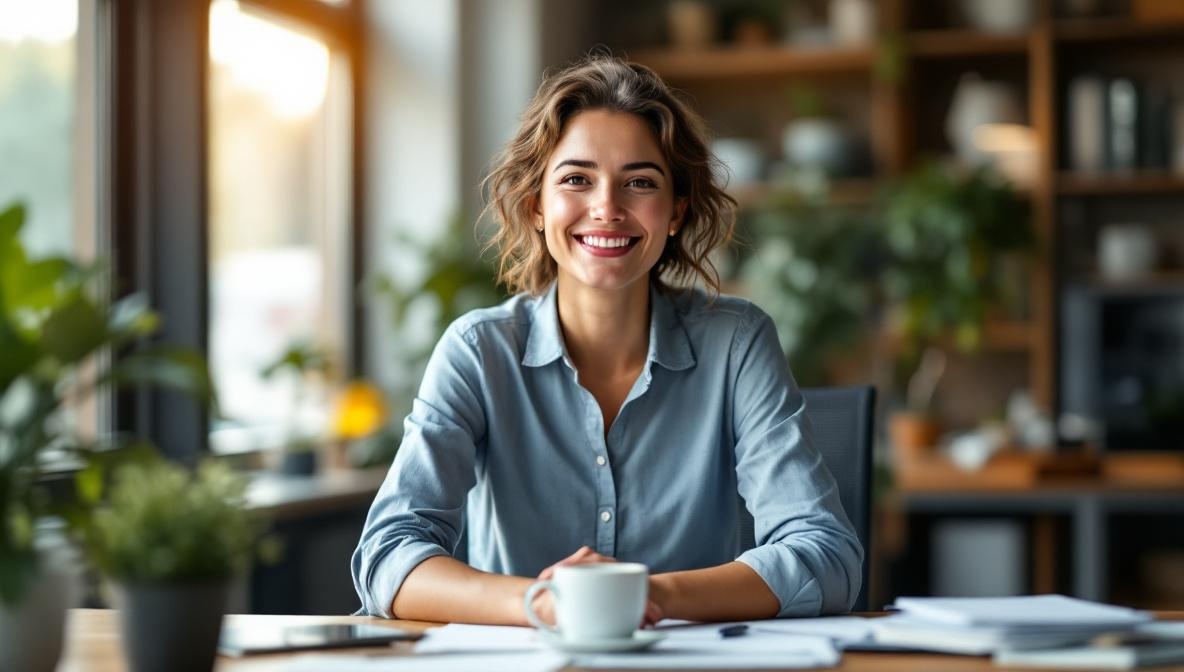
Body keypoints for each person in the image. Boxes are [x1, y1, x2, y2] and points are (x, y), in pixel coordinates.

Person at [352, 53, 861, 626]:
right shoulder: (477, 352)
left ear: (675, 212)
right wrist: (542, 604)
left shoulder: (737, 344)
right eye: (576, 179)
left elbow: (826, 555)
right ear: (536, 207)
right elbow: (388, 557)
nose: (607, 209)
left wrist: (645, 594)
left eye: (639, 182)